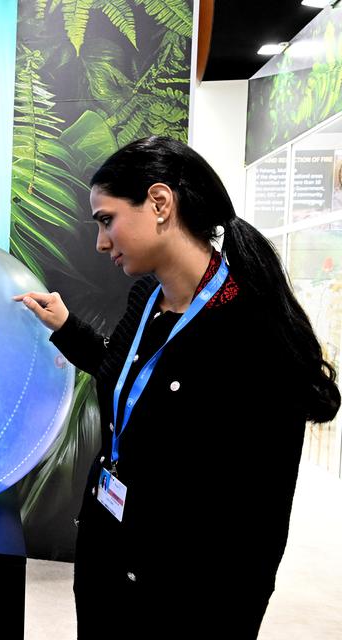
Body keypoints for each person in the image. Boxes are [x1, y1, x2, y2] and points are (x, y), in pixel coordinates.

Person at [17, 136, 340, 638]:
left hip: (186, 597)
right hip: (109, 560)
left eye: (107, 219)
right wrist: (67, 327)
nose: (101, 241)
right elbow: (123, 376)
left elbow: (260, 512)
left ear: (160, 203)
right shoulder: (147, 297)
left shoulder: (249, 329)